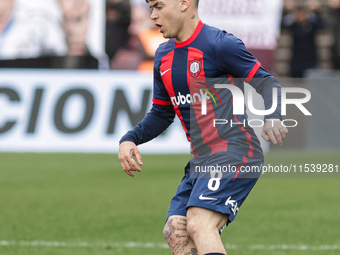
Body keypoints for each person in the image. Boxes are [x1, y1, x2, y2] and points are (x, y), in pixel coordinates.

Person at [118, 0, 288, 254]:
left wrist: (273, 115)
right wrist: (130, 138)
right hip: (202, 158)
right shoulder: (163, 55)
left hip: (235, 149)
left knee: (199, 224)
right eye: (150, 7)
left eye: (159, 6)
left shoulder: (220, 44)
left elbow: (267, 82)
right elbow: (162, 113)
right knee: (176, 231)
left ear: (184, 3)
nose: (152, 15)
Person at [281, 1, 324, 78]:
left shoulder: (311, 24)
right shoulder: (294, 25)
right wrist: (290, 13)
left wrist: (313, 12)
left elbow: (321, 25)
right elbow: (283, 24)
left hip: (311, 58)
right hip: (296, 58)